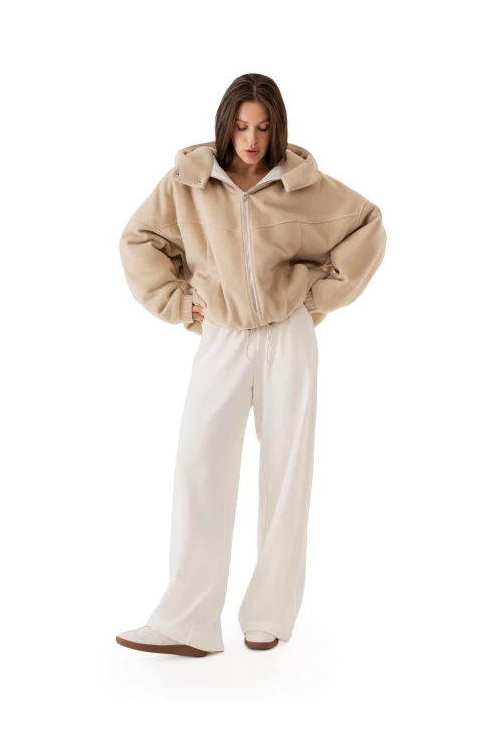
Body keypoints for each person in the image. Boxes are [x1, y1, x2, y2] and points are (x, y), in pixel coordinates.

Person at [115, 73, 387, 658]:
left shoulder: (302, 184)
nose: (251, 140)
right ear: (225, 125)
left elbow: (368, 223)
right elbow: (138, 239)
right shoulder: (187, 183)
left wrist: (313, 297)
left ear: (277, 128)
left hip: (288, 335)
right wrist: (179, 303)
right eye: (241, 126)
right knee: (199, 463)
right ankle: (186, 623)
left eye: (263, 127)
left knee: (287, 472)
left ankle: (269, 616)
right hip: (222, 335)